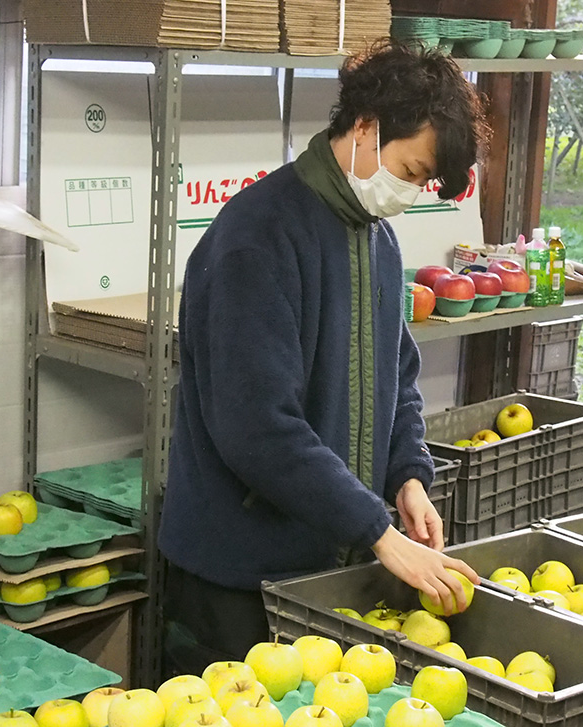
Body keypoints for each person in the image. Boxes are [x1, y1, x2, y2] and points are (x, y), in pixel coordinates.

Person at [159, 41, 488, 675]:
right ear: (365, 127)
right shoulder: (255, 241)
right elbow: (258, 429)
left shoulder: (377, 239)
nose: (411, 193)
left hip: (325, 569)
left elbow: (400, 379)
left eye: (423, 182)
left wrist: (407, 477)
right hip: (239, 578)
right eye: (411, 170)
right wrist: (378, 532)